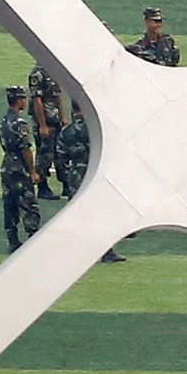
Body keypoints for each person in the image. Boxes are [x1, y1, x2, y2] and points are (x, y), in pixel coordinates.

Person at [55, 100, 125, 263]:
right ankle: (106, 251)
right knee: (101, 212)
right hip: (95, 174)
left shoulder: (67, 131)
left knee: (76, 214)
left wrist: (66, 176)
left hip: (76, 174)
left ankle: (74, 251)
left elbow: (60, 156)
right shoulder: (97, 129)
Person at [0, 85, 42, 252]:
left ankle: (13, 240)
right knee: (28, 203)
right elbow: (26, 149)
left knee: (9, 204)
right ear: (19, 100)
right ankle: (33, 239)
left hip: (7, 164)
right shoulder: (19, 123)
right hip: (19, 167)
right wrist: (32, 171)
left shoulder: (4, 121)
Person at [27, 63, 66, 200]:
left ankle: (66, 184)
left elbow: (58, 95)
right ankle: (42, 187)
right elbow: (37, 100)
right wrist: (42, 125)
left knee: (60, 153)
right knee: (45, 154)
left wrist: (63, 116)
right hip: (45, 121)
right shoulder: (37, 74)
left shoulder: (53, 70)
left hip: (55, 120)